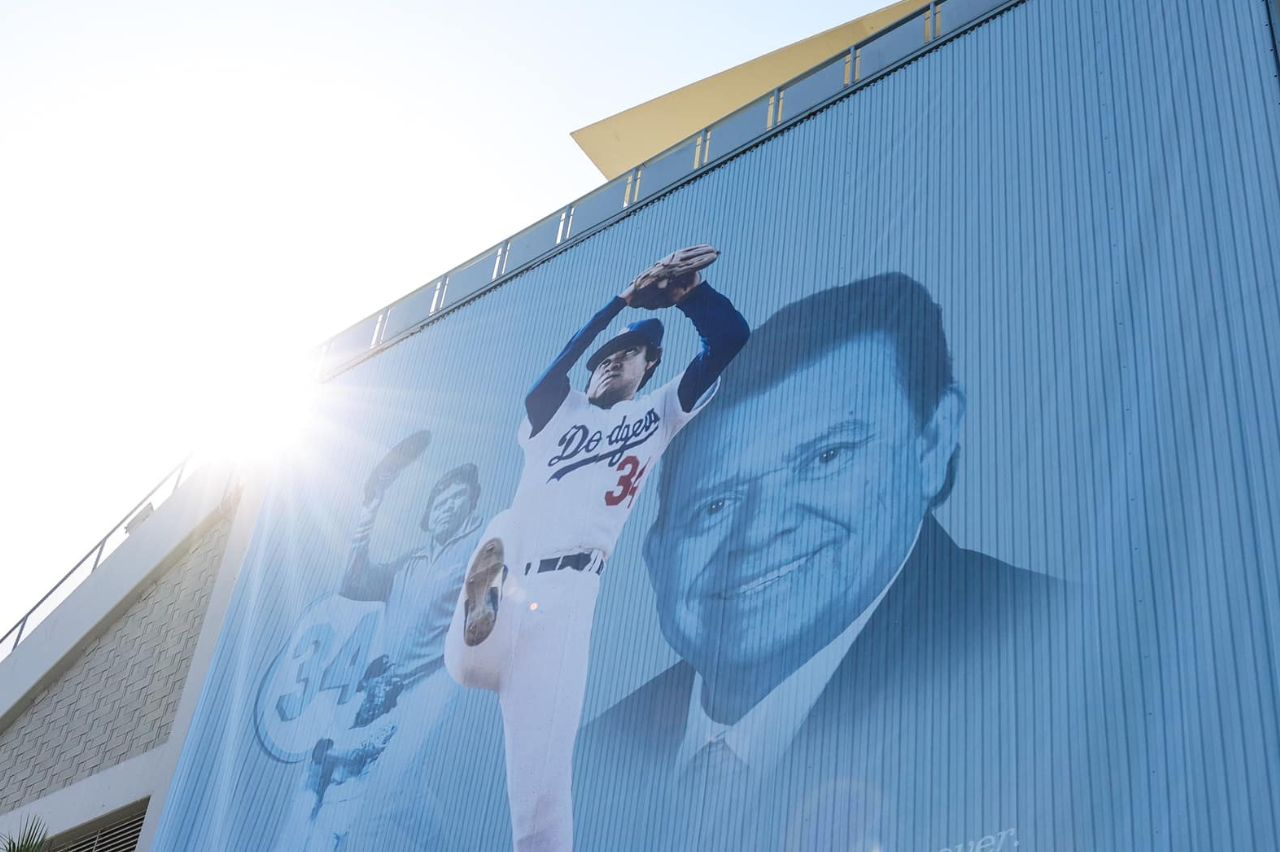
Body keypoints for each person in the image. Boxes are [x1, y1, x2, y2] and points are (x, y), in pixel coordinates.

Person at [576, 274, 1084, 852]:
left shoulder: (1057, 655)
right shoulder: (595, 759)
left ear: (932, 443)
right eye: (714, 505)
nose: (760, 532)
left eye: (826, 457)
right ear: (655, 556)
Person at [444, 246, 750, 852]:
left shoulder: (658, 413)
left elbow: (729, 341)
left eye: (629, 354)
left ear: (648, 366)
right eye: (607, 357)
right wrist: (618, 304)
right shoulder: (556, 414)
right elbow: (548, 377)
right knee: (476, 644)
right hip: (506, 581)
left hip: (566, 598)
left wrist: (689, 295)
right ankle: (473, 634)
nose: (614, 363)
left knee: (539, 795)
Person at [282, 442, 485, 852]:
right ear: (428, 516)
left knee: (383, 785)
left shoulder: (477, 547)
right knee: (399, 791)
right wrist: (369, 510)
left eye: (457, 499)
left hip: (435, 679)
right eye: (441, 500)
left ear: (470, 509)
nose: (448, 507)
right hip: (390, 685)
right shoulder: (408, 563)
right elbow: (355, 584)